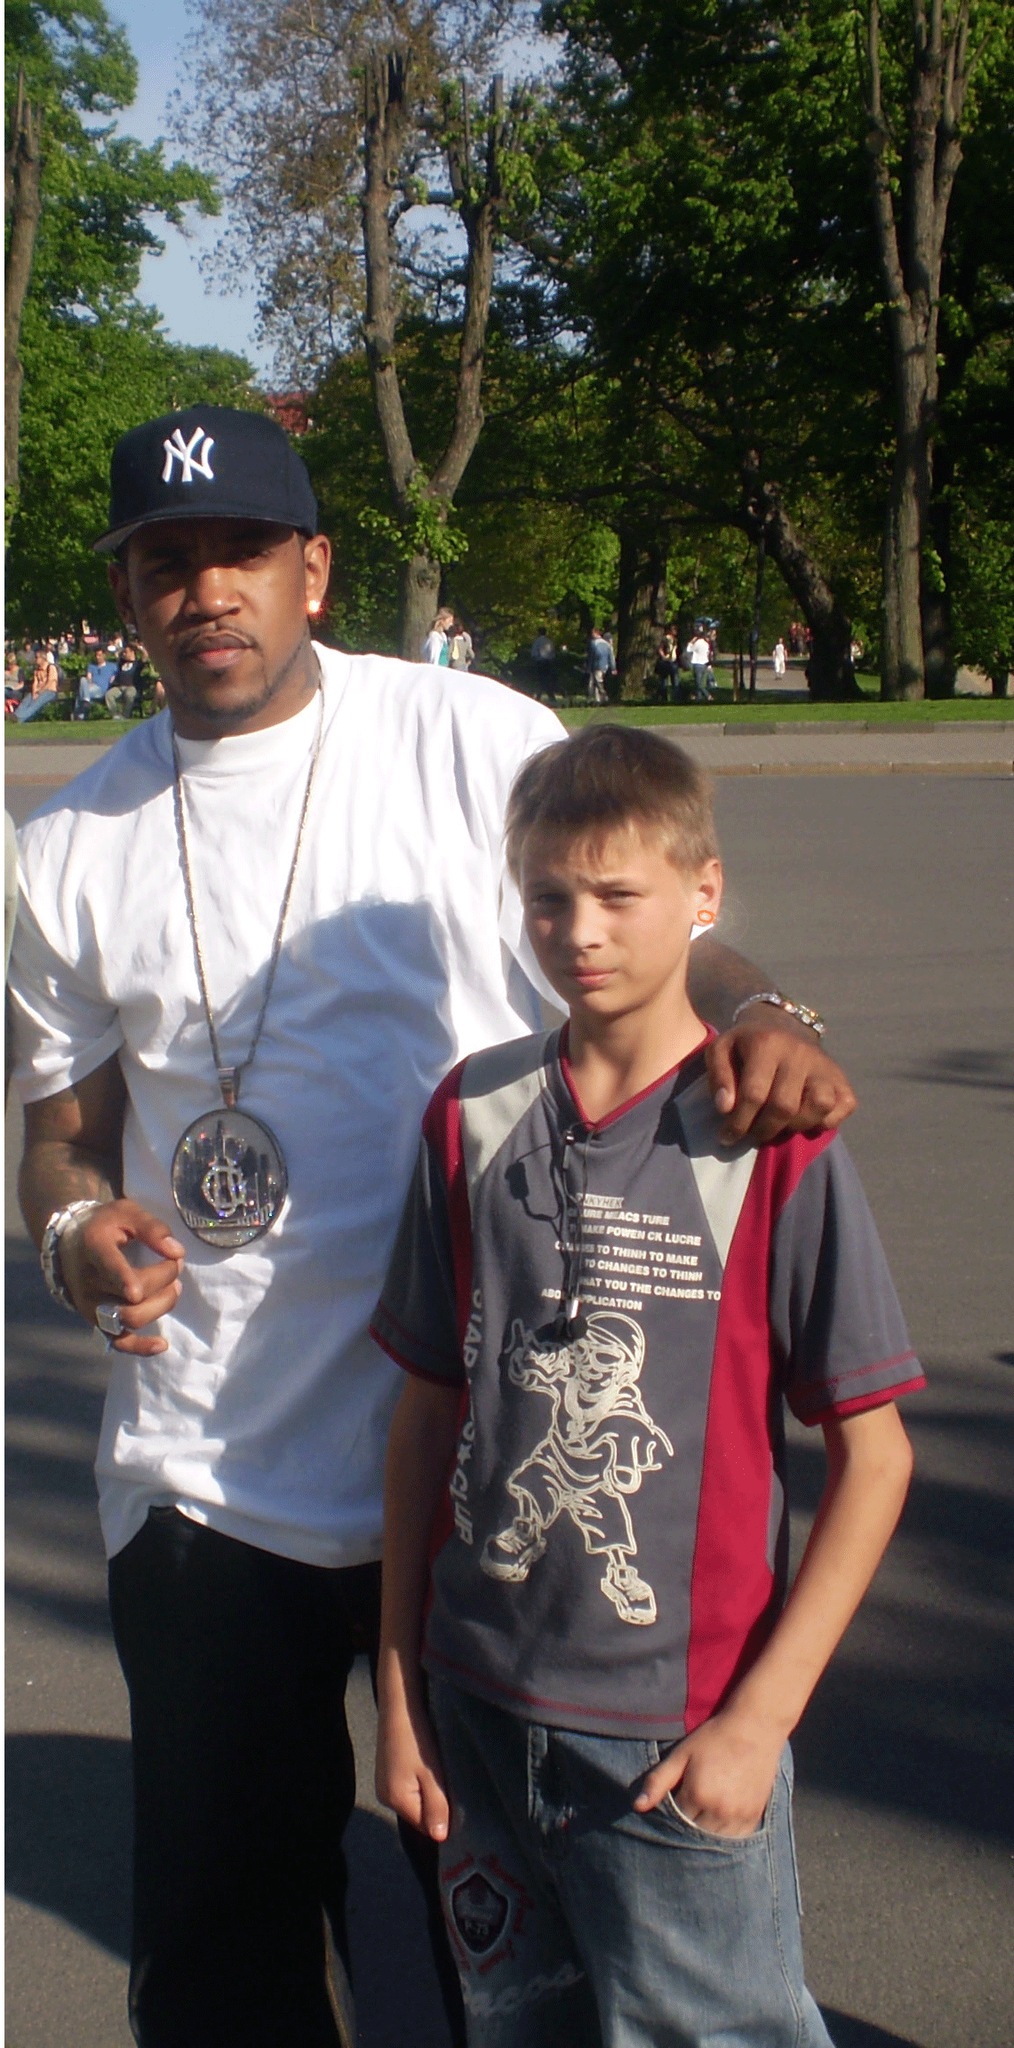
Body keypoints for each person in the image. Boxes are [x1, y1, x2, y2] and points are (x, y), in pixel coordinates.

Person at [10, 404, 856, 2048]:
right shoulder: (67, 849)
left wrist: (767, 1012)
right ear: (123, 594)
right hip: (209, 1474)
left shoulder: (471, 738)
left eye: (241, 553)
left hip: (492, 1459)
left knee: (516, 1965)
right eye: (165, 562)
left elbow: (660, 920)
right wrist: (75, 1233)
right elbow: (60, 1141)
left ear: (314, 570)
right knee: (223, 1964)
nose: (206, 592)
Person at [373, 723, 924, 2047]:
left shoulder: (767, 1139)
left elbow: (877, 1455)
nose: (581, 932)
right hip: (476, 1699)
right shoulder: (470, 1111)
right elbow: (429, 1410)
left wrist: (758, 1722)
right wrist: (397, 1686)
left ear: (703, 892)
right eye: (547, 899)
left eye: (619, 895)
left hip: (670, 1732)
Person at [14, 646, 61, 722]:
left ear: (43, 658)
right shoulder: (37, 670)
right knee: (26, 700)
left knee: (36, 703)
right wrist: (34, 693)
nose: (35, 659)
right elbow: (35, 683)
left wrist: (39, 692)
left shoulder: (51, 668)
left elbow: (50, 683)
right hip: (38, 691)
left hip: (50, 691)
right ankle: (15, 716)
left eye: (37, 657)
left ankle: (20, 719)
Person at [75, 644, 118, 717]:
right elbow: (88, 678)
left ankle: (80, 715)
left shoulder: (112, 666)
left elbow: (116, 675)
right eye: (96, 655)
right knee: (83, 680)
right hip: (91, 688)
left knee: (80, 694)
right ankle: (86, 701)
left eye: (99, 655)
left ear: (104, 655)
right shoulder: (91, 666)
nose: (97, 657)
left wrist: (113, 679)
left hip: (102, 690)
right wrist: (89, 683)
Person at [104, 641, 142, 718]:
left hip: (131, 687)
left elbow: (145, 655)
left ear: (132, 652)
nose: (124, 654)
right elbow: (117, 654)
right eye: (123, 652)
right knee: (109, 695)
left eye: (126, 652)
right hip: (119, 687)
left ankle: (125, 716)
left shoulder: (137, 663)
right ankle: (115, 715)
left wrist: (138, 647)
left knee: (129, 695)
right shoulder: (121, 663)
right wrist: (122, 649)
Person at [586, 625, 615, 704]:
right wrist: (613, 668)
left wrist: (588, 667)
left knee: (596, 682)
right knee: (598, 681)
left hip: (596, 666)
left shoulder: (593, 643)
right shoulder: (607, 644)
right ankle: (598, 699)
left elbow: (591, 656)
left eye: (592, 633)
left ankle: (603, 697)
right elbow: (611, 656)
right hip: (605, 666)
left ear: (596, 633)